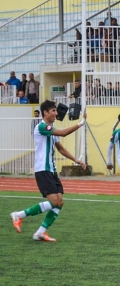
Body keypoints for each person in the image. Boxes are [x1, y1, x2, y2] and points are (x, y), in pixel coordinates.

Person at [10, 101, 86, 242]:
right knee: (53, 202)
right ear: (45, 112)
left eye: (56, 111)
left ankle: (40, 232)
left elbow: (61, 149)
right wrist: (81, 123)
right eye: (53, 111)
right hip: (42, 169)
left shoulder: (51, 129)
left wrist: (77, 160)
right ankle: (19, 215)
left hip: (51, 170)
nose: (56, 113)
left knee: (60, 202)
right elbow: (63, 133)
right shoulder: (42, 127)